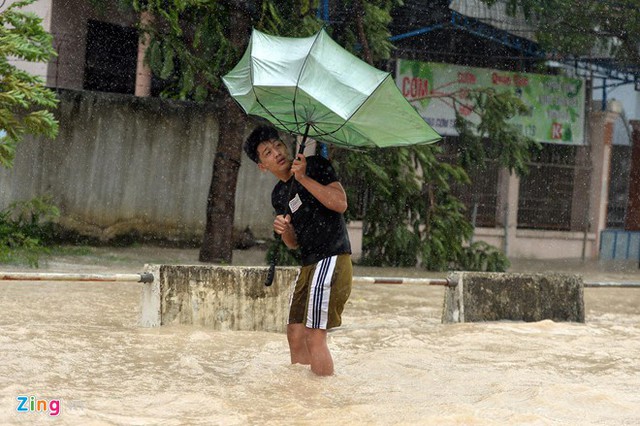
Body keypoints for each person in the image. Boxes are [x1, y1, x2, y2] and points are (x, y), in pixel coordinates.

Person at [244, 125, 352, 376]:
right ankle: (301, 393)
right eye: (267, 152)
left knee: (315, 335)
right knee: (295, 332)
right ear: (262, 166)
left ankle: (320, 398)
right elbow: (293, 243)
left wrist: (303, 178)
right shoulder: (279, 194)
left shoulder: (314, 165)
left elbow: (340, 203)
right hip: (309, 264)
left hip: (332, 258)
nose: (277, 153)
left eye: (278, 145)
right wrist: (284, 230)